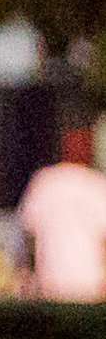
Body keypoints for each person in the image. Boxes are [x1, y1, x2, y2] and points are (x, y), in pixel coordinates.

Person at [16, 128, 106, 303]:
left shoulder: (44, 181)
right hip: (89, 290)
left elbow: (27, 237)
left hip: (51, 289)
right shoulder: (97, 185)